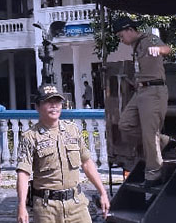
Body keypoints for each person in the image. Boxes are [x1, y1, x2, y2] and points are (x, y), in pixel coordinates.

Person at [16, 84, 109, 223]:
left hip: (76, 205)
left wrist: (103, 192)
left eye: (57, 102)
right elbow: (23, 173)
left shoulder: (73, 130)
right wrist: (21, 206)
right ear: (37, 107)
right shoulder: (30, 137)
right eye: (48, 102)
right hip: (47, 209)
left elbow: (87, 163)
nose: (54, 106)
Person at [113, 16, 176, 187]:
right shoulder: (136, 46)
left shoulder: (149, 39)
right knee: (125, 124)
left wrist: (158, 50)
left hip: (153, 90)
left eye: (121, 36)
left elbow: (167, 49)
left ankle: (154, 174)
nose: (121, 40)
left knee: (150, 133)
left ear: (130, 30)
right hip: (141, 91)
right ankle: (163, 141)